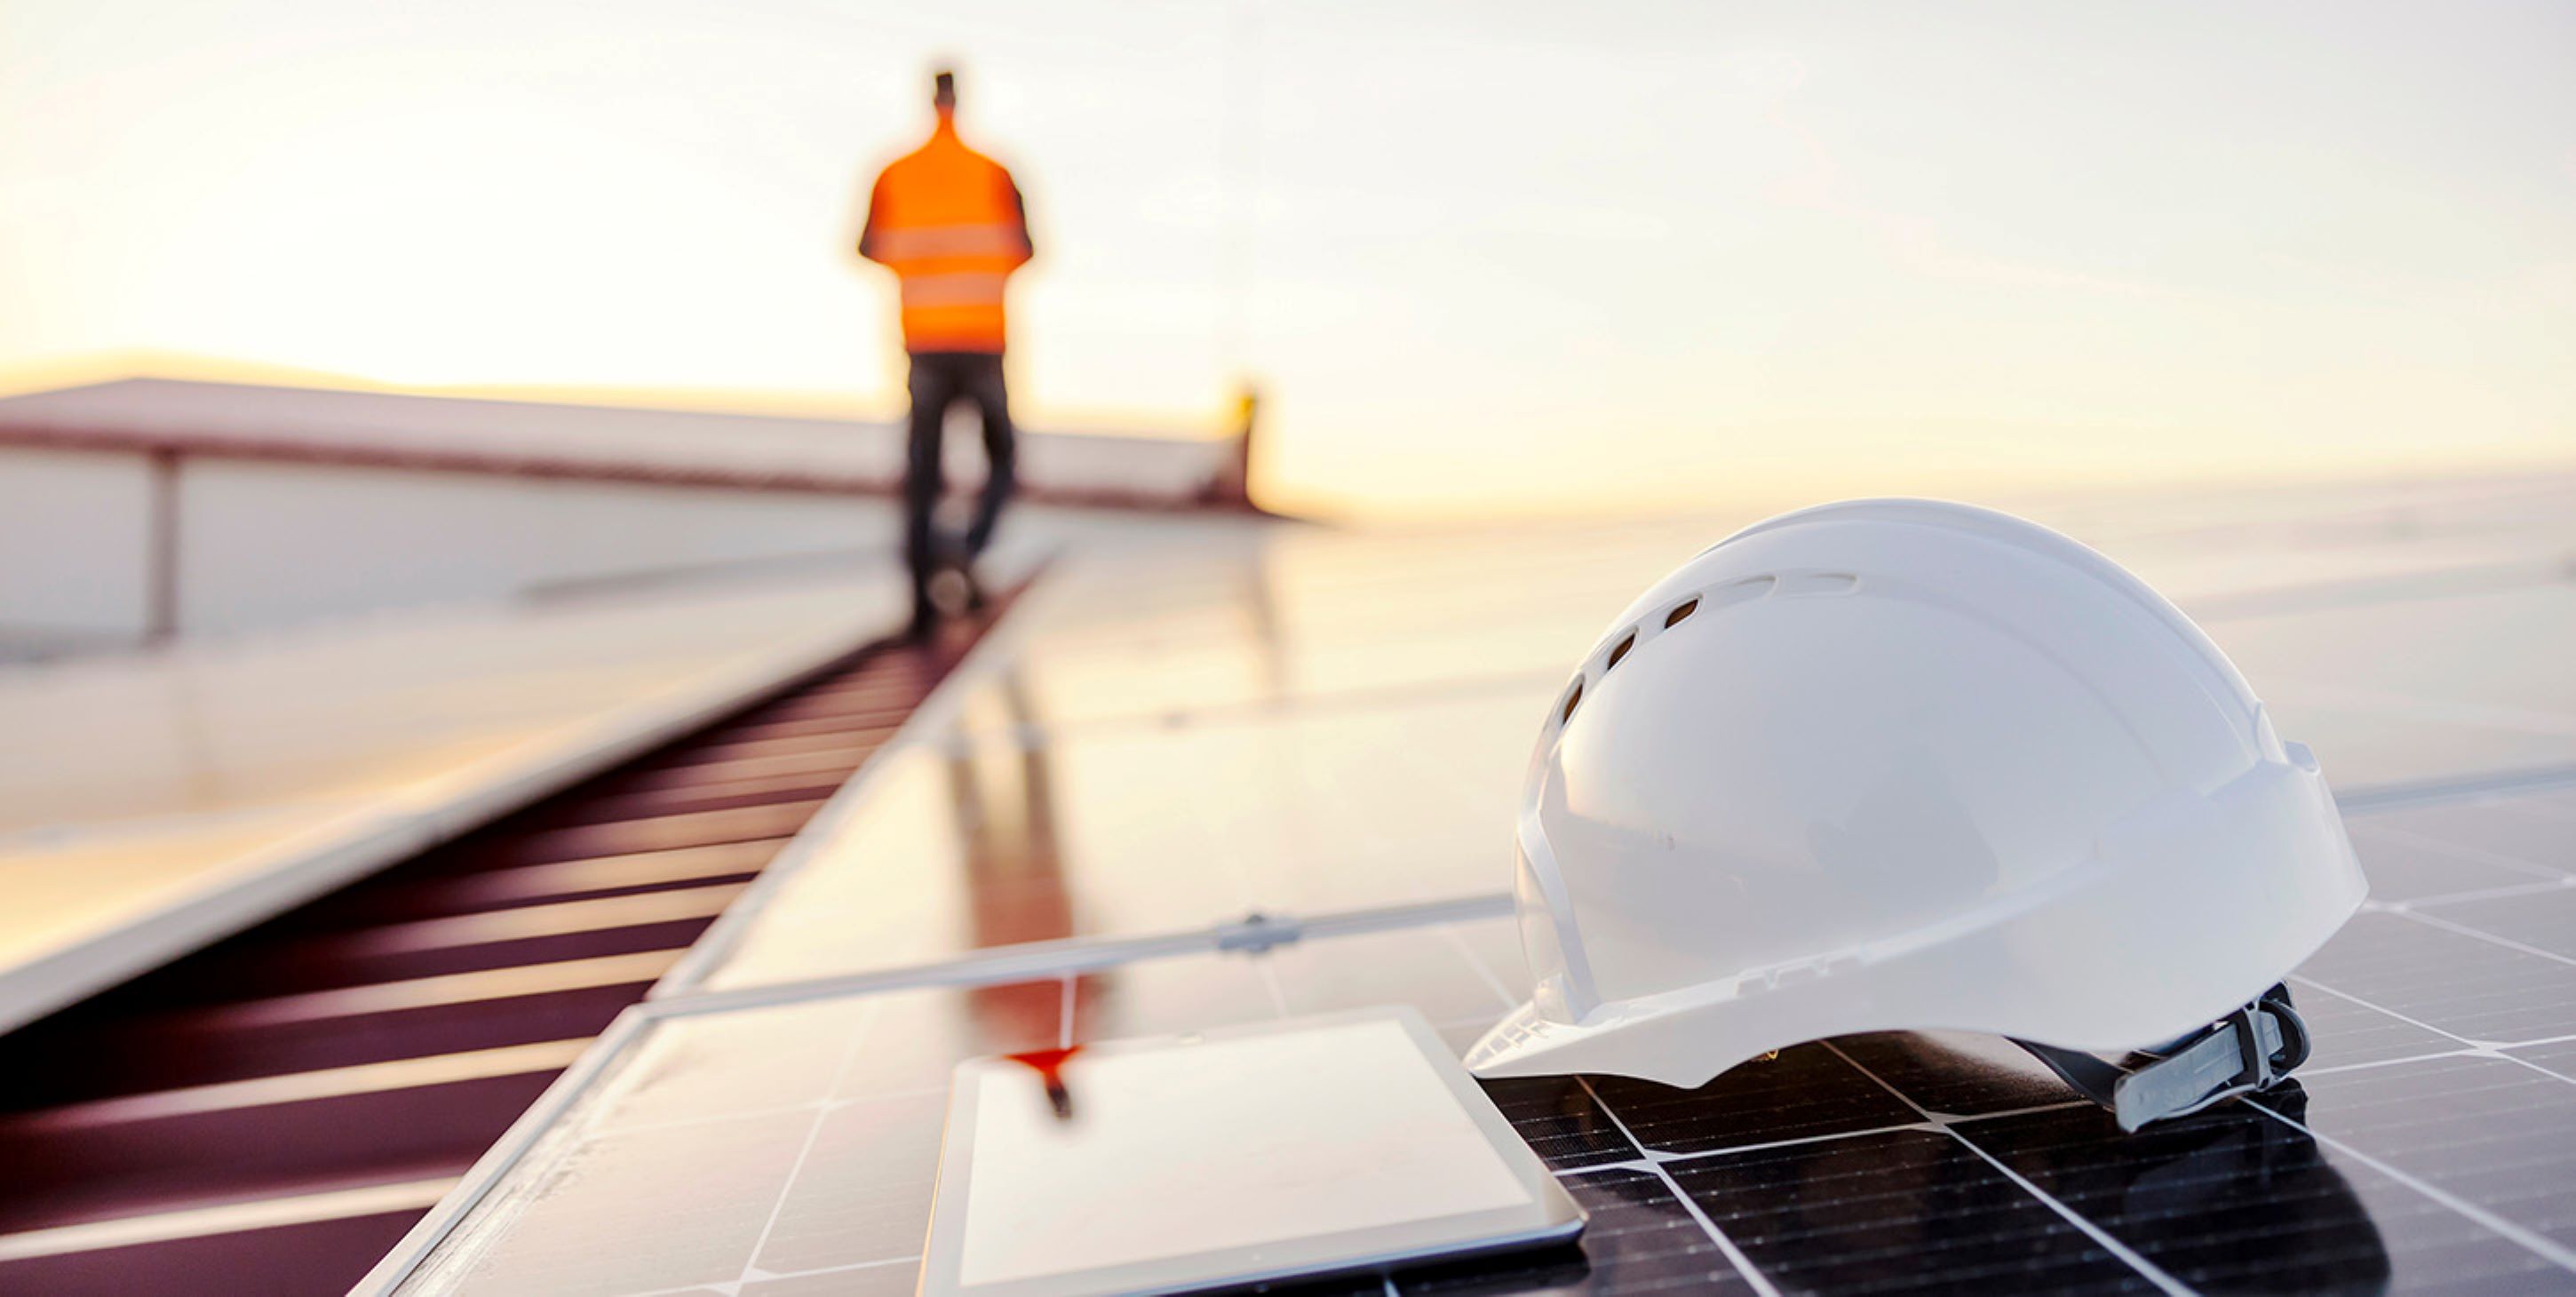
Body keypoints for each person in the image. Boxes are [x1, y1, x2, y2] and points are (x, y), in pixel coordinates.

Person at [857, 68, 1035, 640]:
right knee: (1002, 457)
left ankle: (921, 602)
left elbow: (867, 247)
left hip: (924, 342)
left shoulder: (894, 172)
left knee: (923, 472)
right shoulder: (995, 172)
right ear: (961, 99)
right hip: (982, 340)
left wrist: (926, 262)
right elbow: (1026, 249)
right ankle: (964, 547)